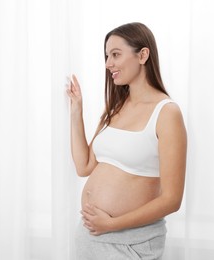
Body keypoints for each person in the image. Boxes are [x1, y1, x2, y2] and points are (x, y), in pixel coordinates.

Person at [66, 22, 187, 259]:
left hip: (129, 243)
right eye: (106, 55)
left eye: (115, 54)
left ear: (143, 55)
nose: (108, 63)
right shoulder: (116, 108)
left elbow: (172, 199)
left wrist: (113, 224)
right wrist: (76, 111)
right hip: (89, 238)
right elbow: (84, 167)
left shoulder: (166, 113)